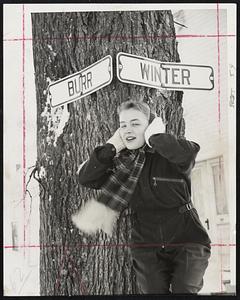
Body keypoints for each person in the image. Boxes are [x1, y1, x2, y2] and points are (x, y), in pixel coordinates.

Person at [72, 100, 211, 294]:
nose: (128, 129)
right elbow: (86, 178)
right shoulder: (123, 163)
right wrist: (111, 146)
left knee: (185, 289)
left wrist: (155, 137)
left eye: (136, 123)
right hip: (147, 244)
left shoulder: (170, 154)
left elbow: (188, 154)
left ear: (149, 126)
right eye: (123, 125)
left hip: (188, 239)